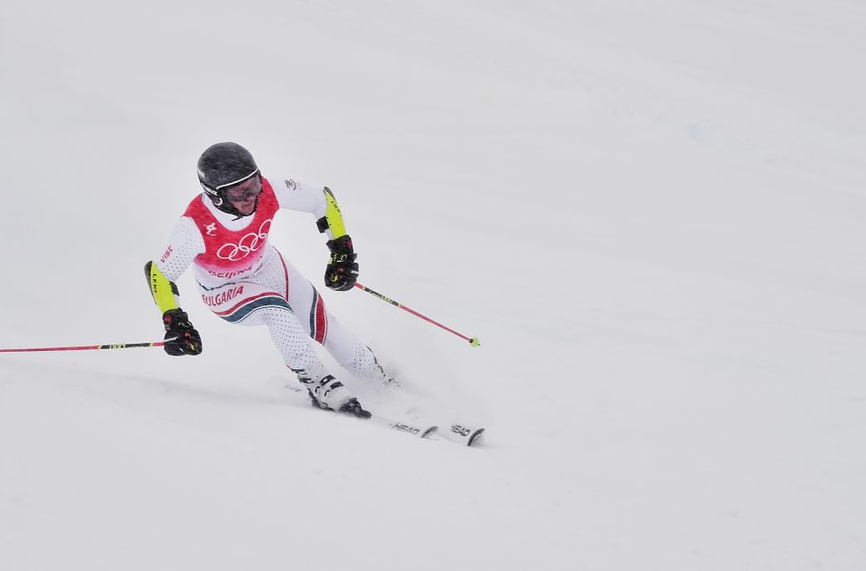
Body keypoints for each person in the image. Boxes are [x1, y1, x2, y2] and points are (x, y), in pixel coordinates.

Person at [144, 142, 393, 418]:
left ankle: (377, 379)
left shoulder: (268, 191)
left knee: (324, 323)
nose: (252, 195)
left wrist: (341, 251)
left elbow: (322, 199)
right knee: (277, 310)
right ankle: (315, 379)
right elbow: (160, 273)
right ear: (216, 195)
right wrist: (175, 320)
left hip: (268, 266)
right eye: (240, 192)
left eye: (253, 184)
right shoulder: (194, 226)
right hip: (224, 289)